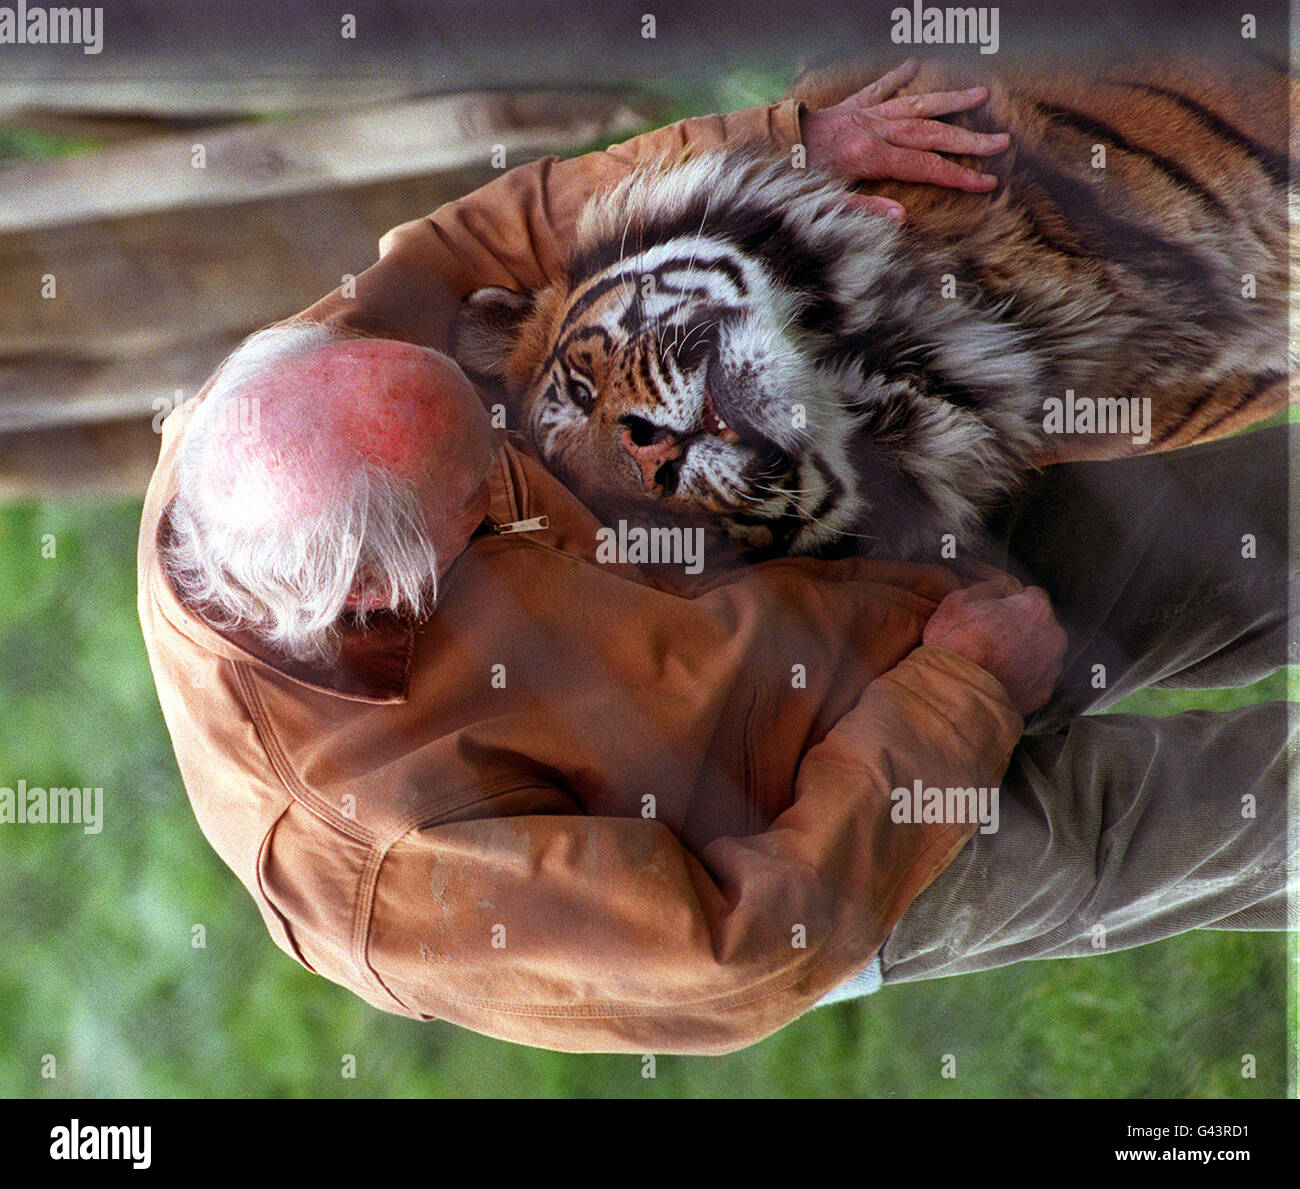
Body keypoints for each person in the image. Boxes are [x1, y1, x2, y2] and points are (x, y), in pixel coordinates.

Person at [137, 63, 1292, 1054]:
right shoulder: (380, 865)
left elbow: (466, 246)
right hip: (839, 842)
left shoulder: (283, 405)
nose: (509, 453)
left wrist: (783, 145)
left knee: (1252, 531)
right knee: (1236, 813)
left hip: (838, 529)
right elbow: (734, 958)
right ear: (382, 592)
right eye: (476, 490)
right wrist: (957, 696)